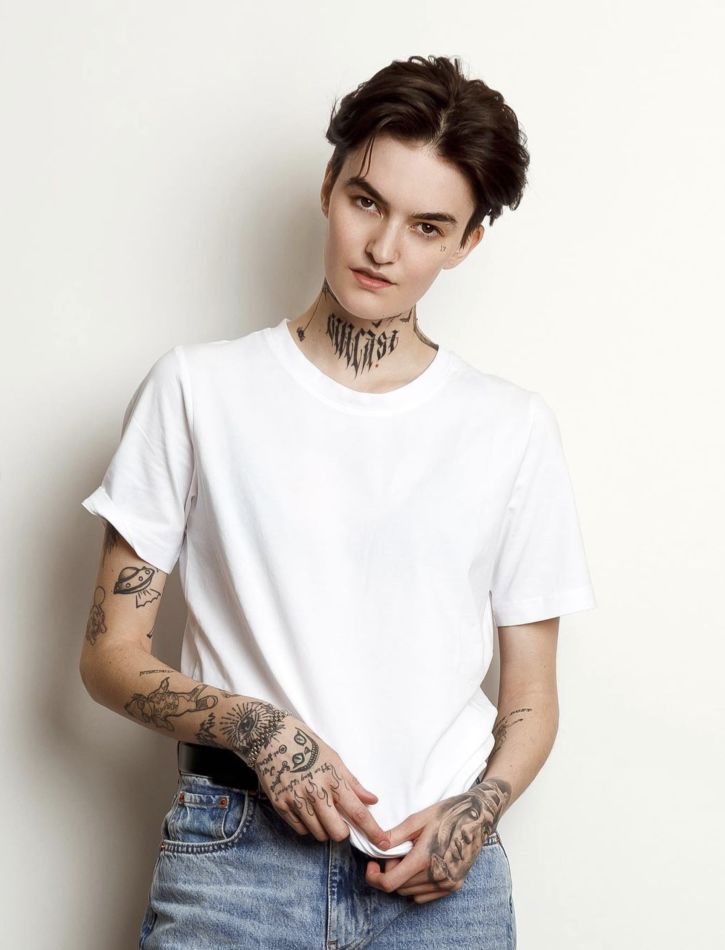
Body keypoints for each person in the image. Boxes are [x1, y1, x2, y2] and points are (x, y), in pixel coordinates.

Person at [79, 54, 596, 949]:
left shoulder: (509, 428)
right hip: (238, 863)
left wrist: (477, 810)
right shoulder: (198, 390)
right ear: (328, 188)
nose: (383, 248)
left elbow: (531, 699)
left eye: (427, 226)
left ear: (466, 243)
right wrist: (258, 728)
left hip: (442, 880)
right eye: (367, 202)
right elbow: (108, 656)